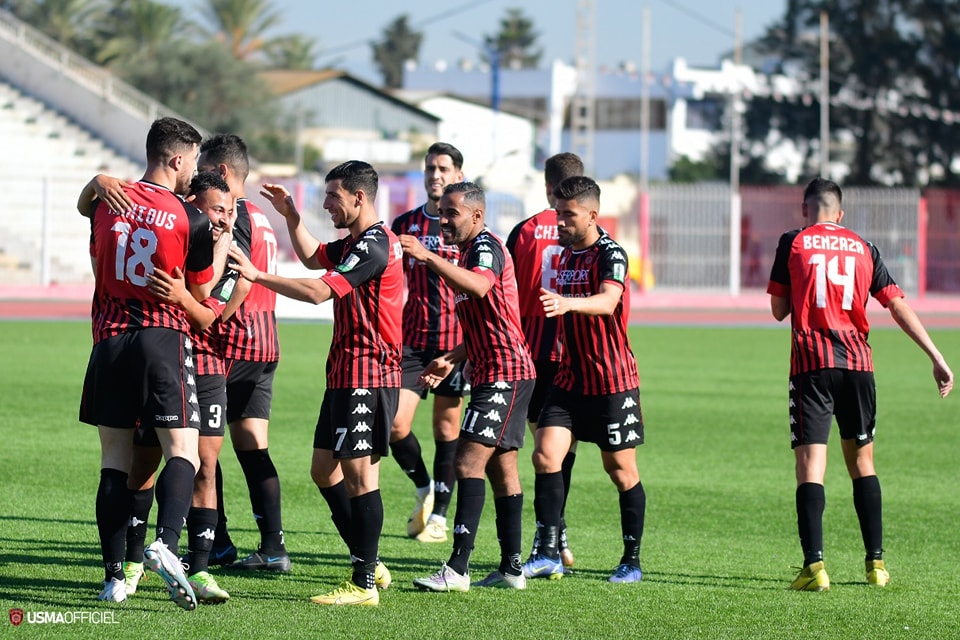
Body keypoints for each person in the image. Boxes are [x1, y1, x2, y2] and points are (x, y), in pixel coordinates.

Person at [228, 161, 402, 606]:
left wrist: (257, 274)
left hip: (368, 373)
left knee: (361, 476)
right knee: (324, 470)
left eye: (333, 197)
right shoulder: (356, 242)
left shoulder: (376, 245)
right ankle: (370, 561)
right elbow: (311, 257)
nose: (327, 205)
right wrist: (291, 216)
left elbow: (318, 291)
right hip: (346, 372)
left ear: (359, 197)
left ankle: (363, 581)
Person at [767, 177, 954, 591]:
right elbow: (896, 304)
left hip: (812, 366)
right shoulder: (865, 248)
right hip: (859, 366)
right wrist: (936, 356)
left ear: (806, 209)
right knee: (863, 464)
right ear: (841, 214)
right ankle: (876, 565)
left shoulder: (793, 241)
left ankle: (815, 568)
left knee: (810, 466)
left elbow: (779, 309)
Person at [77, 117, 216, 610]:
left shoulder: (106, 201)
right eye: (194, 161)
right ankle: (166, 543)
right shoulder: (190, 219)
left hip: (110, 342)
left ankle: (114, 576)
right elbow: (199, 300)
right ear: (176, 159)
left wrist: (96, 181)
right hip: (163, 340)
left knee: (113, 463)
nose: (194, 171)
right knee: (184, 452)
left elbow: (84, 206)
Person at [106, 171, 236, 605]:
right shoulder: (178, 224)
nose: (223, 218)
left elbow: (207, 314)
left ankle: (195, 568)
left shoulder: (234, 254)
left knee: (204, 463)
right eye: (217, 208)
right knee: (141, 467)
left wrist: (184, 295)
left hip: (209, 367)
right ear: (193, 199)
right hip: (165, 356)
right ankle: (135, 562)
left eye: (230, 210)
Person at [405, 182, 536, 592]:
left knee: (466, 463)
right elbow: (495, 317)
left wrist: (427, 257)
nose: (443, 220)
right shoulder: (467, 252)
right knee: (502, 468)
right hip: (495, 370)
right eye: (441, 213)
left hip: (504, 373)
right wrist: (453, 357)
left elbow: (479, 286)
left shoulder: (484, 248)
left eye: (451, 214)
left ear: (476, 216)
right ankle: (512, 568)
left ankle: (458, 569)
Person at [522, 176, 647, 584]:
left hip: (612, 379)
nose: (559, 221)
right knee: (545, 455)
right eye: (558, 213)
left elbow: (609, 301)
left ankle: (631, 560)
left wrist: (566, 303)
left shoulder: (611, 254)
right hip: (570, 376)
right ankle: (547, 552)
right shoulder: (566, 254)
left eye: (568, 214)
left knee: (620, 470)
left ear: (592, 215)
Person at [198, 134, 287, 572]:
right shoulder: (262, 216)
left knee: (202, 448)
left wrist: (213, 317)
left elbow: (242, 277)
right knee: (253, 447)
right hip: (265, 339)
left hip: (231, 341)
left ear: (224, 172)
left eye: (206, 166)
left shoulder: (237, 215)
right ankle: (274, 546)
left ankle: (216, 541)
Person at [505, 151, 584, 568]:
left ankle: (548, 536)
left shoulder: (525, 230)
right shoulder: (592, 230)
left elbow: (508, 297)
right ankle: (556, 531)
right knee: (559, 449)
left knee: (539, 447)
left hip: (531, 353)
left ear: (546, 186)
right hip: (578, 356)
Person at [389, 142, 469, 543]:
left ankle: (439, 515)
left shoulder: (466, 226)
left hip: (456, 345)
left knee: (446, 427)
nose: (434, 175)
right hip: (412, 343)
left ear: (458, 174)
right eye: (429, 168)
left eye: (442, 168)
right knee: (395, 424)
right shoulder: (404, 224)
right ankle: (424, 488)